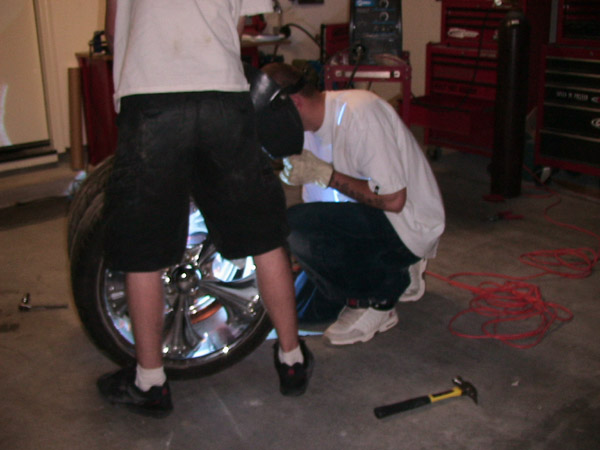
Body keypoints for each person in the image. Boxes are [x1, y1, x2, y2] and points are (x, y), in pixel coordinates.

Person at [98, 1, 313, 418]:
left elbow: (112, 30)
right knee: (264, 236)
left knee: (144, 248)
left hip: (151, 92)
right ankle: (292, 360)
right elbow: (238, 23)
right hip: (222, 93)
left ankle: (150, 383)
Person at [261, 62, 445, 346]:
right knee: (300, 310)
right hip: (367, 218)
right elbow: (318, 212)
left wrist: (326, 175)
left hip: (408, 222)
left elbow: (394, 200)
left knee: (295, 225)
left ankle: (379, 299)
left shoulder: (360, 113)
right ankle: (394, 269)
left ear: (295, 103)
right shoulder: (305, 130)